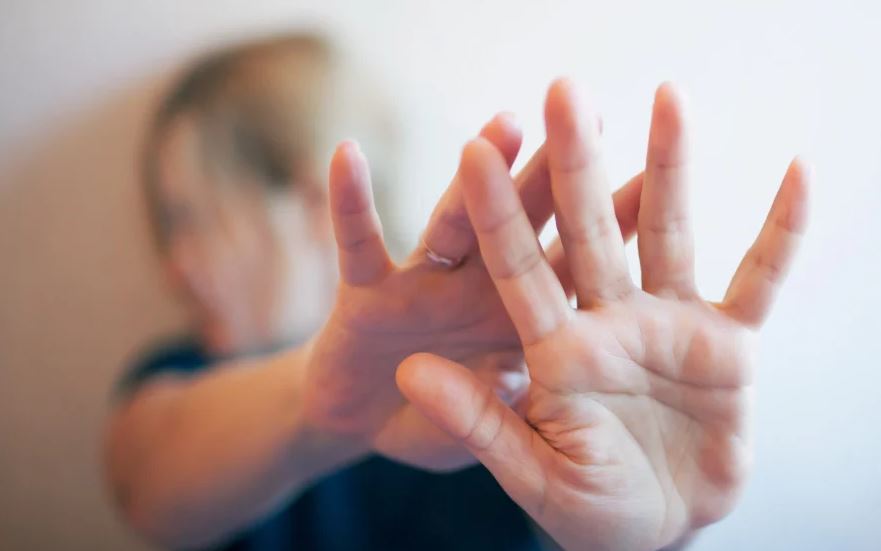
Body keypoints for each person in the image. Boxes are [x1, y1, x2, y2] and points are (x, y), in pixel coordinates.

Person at [104, 33, 808, 551]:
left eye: (189, 221)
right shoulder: (183, 378)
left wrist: (652, 530)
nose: (174, 269)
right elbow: (143, 482)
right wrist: (323, 408)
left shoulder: (501, 394)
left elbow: (573, 518)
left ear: (311, 203)